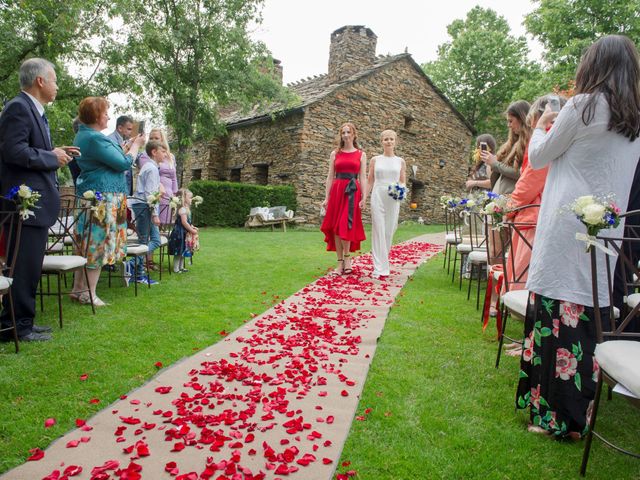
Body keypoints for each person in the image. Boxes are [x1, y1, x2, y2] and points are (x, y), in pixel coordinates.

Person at [516, 35, 640, 439]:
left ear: (594, 67)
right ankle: (576, 417)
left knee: (555, 317)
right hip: (603, 230)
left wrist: (540, 125)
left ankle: (551, 416)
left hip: (566, 224)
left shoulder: (582, 105)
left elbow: (539, 156)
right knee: (585, 321)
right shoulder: (634, 118)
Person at [0, 58, 77, 342]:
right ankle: (15, 326)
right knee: (22, 266)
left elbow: (28, 149)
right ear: (40, 81)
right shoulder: (19, 108)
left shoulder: (34, 110)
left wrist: (54, 151)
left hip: (35, 205)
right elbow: (13, 152)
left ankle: (23, 321)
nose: (57, 86)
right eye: (55, 80)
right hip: (24, 205)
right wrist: (51, 157)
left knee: (30, 266)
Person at [502, 94, 566, 356]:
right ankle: (525, 339)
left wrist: (509, 206)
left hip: (532, 216)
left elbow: (531, 178)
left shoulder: (547, 139)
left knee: (525, 279)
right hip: (531, 213)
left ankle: (527, 341)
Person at [71, 97, 145, 305]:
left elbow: (108, 160)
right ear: (96, 116)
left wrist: (125, 147)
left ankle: (79, 289)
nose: (108, 117)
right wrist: (136, 146)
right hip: (101, 199)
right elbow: (122, 163)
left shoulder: (85, 136)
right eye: (105, 113)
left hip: (93, 195)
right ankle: (89, 293)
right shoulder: (95, 138)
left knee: (86, 245)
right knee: (97, 245)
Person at [320, 122, 367, 275]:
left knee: (345, 225)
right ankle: (340, 262)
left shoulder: (361, 154)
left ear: (354, 134)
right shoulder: (335, 154)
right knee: (336, 226)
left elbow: (363, 177)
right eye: (343, 133)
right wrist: (326, 198)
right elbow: (329, 177)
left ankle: (347, 258)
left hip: (353, 192)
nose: (346, 135)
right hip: (337, 191)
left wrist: (364, 197)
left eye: (348, 132)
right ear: (341, 135)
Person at [367, 129, 406, 279]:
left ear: (395, 141)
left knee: (389, 230)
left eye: (391, 139)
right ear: (381, 141)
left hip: (393, 197)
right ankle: (380, 268)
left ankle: (383, 261)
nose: (389, 141)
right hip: (378, 195)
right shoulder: (375, 160)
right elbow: (370, 180)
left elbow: (402, 180)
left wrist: (399, 190)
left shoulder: (400, 161)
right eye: (386, 139)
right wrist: (363, 198)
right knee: (378, 230)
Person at [126, 140, 164, 285]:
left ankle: (135, 270)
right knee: (144, 241)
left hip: (144, 206)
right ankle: (135, 270)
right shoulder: (152, 168)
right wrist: (155, 213)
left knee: (155, 240)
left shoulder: (150, 166)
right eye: (163, 151)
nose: (165, 154)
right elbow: (150, 193)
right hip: (144, 207)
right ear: (154, 152)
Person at [482, 100, 531, 195]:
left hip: (513, 200)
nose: (508, 125)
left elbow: (523, 174)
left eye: (511, 121)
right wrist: (491, 163)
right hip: (499, 199)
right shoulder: (511, 143)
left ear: (522, 119)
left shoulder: (530, 143)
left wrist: (495, 164)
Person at [151, 128, 179, 225]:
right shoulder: (149, 155)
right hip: (157, 193)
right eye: (151, 138)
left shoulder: (171, 157)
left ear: (162, 140)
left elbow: (174, 177)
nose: (154, 140)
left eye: (156, 138)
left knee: (167, 225)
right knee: (156, 224)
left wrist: (175, 195)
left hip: (169, 194)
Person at [168, 188, 199, 273]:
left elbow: (188, 222)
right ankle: (176, 268)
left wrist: (192, 227)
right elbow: (184, 222)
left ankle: (181, 267)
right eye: (189, 197)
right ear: (183, 198)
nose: (191, 199)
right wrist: (192, 231)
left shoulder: (186, 209)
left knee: (183, 250)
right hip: (179, 233)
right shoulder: (182, 209)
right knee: (179, 251)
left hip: (184, 233)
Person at [107, 115, 134, 196]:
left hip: (125, 186)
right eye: (129, 129)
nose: (131, 132)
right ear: (120, 128)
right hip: (113, 187)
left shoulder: (126, 141)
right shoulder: (110, 140)